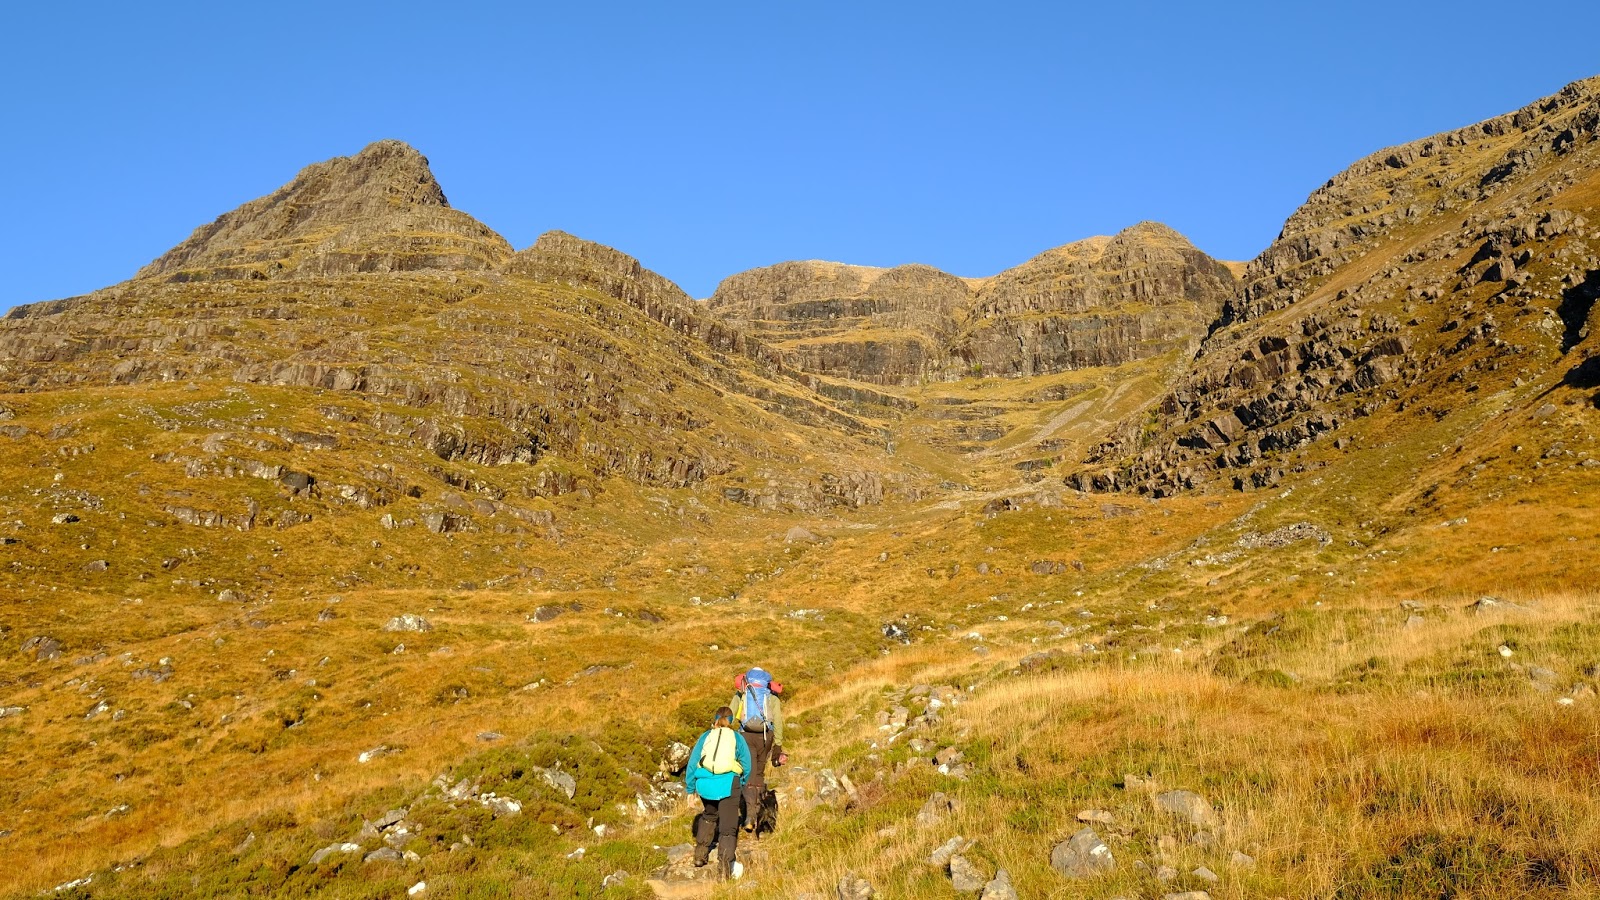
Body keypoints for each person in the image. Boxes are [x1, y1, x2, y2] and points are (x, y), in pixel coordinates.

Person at [684, 706, 752, 879]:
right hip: (728, 783)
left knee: (709, 815)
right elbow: (747, 765)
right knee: (728, 829)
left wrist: (690, 789)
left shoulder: (706, 736)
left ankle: (700, 856)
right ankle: (724, 870)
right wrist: (741, 782)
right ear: (731, 722)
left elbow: (693, 763)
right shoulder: (736, 737)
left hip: (705, 785)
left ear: (715, 720)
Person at [729, 667, 785, 832]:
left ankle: (749, 816)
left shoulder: (742, 694)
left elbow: (731, 713)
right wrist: (778, 744)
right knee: (758, 774)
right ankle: (757, 812)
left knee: (748, 774)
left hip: (745, 736)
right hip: (765, 736)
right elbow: (778, 722)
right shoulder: (771, 697)